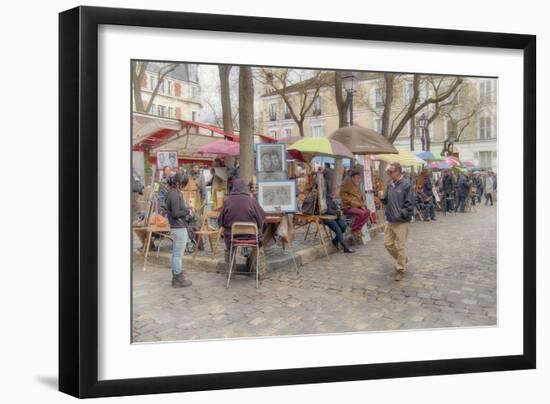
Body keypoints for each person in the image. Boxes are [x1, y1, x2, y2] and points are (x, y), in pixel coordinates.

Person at [218, 178, 266, 272]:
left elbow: (220, 222)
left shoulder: (227, 201)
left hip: (232, 238)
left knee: (229, 244)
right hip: (251, 237)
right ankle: (260, 271)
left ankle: (231, 270)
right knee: (259, 241)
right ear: (244, 188)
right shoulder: (251, 201)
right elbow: (261, 219)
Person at [378, 163, 414, 281]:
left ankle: (400, 268)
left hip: (401, 221)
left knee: (401, 246)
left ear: (398, 171)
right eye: (389, 172)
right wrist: (382, 197)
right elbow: (386, 201)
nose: (389, 173)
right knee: (387, 244)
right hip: (390, 220)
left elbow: (410, 204)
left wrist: (400, 214)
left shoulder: (406, 184)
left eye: (391, 171)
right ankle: (402, 259)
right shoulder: (390, 185)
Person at [165, 174, 193, 288]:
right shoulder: (174, 194)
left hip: (177, 227)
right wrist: (187, 212)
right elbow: (176, 213)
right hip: (178, 227)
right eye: (182, 184)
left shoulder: (172, 193)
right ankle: (177, 278)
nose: (183, 187)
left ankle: (177, 275)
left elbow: (176, 211)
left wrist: (186, 209)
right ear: (178, 183)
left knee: (177, 254)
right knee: (177, 255)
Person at [340, 170, 371, 237]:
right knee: (362, 213)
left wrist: (362, 204)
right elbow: (342, 195)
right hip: (347, 206)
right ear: (352, 177)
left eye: (359, 178)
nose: (358, 179)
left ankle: (358, 229)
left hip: (357, 206)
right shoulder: (346, 184)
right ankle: (354, 229)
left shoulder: (357, 186)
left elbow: (359, 197)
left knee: (368, 212)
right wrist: (352, 202)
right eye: (357, 178)